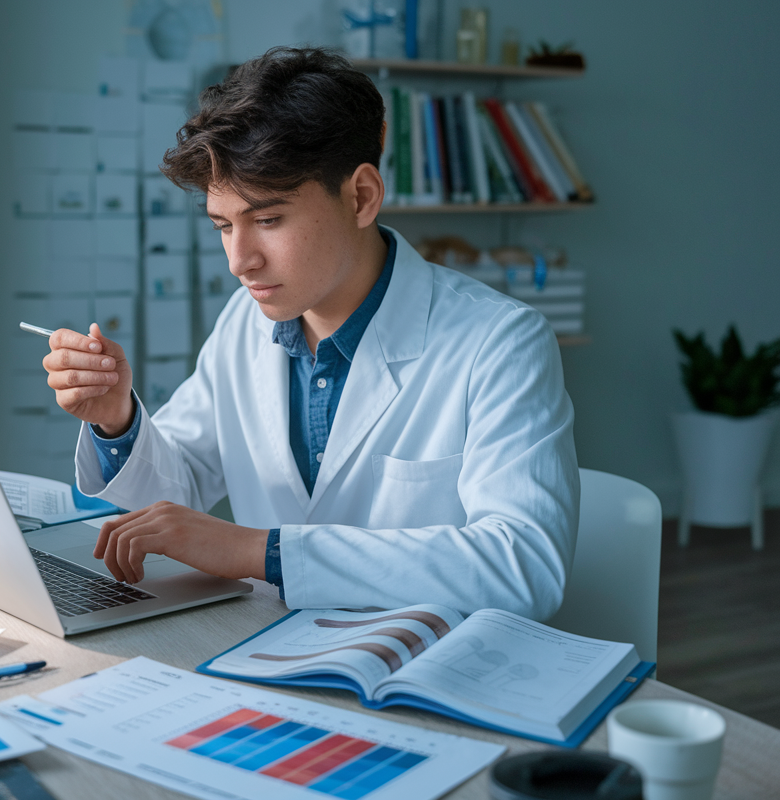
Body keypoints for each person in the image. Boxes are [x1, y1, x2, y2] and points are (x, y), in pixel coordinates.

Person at [40, 47, 578, 620]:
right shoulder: (245, 322)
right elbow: (177, 488)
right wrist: (116, 419)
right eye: (224, 226)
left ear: (362, 197)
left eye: (268, 220)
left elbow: (525, 566)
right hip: (265, 652)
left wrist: (260, 551)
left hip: (421, 668)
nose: (239, 261)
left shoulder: (501, 343)